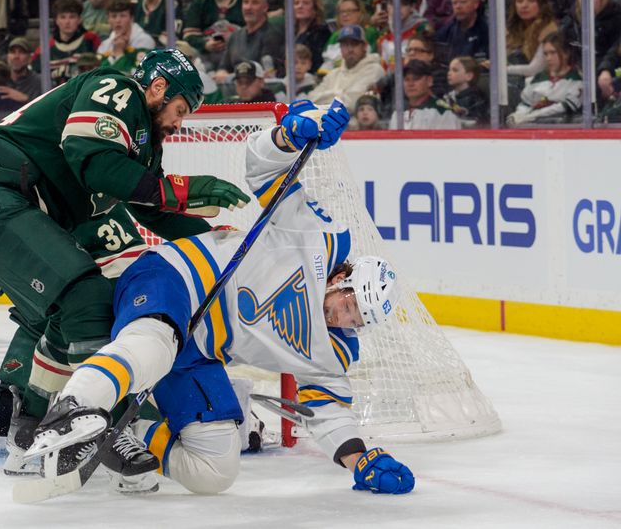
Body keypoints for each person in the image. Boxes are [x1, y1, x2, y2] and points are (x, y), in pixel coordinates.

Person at [24, 98, 415, 497]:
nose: (344, 319)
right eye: (348, 306)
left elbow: (329, 415)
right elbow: (263, 165)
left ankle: (124, 429)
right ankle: (74, 407)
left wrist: (361, 459)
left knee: (214, 471)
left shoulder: (332, 354)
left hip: (199, 351)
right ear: (341, 278)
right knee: (154, 346)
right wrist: (288, 135)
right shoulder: (318, 236)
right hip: (177, 278)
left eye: (356, 322)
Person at [0, 48, 250, 480]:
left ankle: (27, 433)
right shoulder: (116, 88)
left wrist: (215, 240)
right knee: (90, 300)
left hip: (15, 202)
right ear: (158, 88)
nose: (179, 124)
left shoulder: (142, 144)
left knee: (63, 316)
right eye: (179, 110)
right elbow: (96, 164)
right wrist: (184, 188)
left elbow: (148, 207)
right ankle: (105, 431)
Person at [506, 32, 582, 127]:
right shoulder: (538, 78)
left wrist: (529, 117)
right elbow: (525, 104)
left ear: (566, 53)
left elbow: (563, 108)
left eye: (553, 53)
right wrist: (517, 116)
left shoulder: (578, 80)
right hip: (532, 130)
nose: (548, 58)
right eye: (545, 54)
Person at [308, 24, 384, 117]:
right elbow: (311, 99)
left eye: (354, 44)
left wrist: (327, 96)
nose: (350, 49)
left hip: (358, 128)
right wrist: (339, 94)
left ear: (364, 46)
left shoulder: (374, 70)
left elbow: (352, 104)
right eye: (345, 45)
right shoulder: (334, 74)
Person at [32, 0, 101, 86]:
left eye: (72, 17)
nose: (67, 22)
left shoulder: (91, 40)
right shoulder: (45, 48)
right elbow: (36, 76)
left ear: (79, 19)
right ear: (56, 20)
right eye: (63, 17)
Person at [213, 0, 285, 82]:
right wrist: (222, 74)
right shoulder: (235, 36)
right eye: (245, 2)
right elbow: (223, 68)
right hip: (233, 89)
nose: (248, 7)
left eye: (254, 3)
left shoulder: (273, 35)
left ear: (265, 7)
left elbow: (264, 74)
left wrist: (228, 77)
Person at [389, 59, 462, 129]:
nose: (410, 84)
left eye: (416, 78)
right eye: (406, 79)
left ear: (429, 81)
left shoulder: (443, 112)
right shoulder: (397, 113)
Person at [182, 0, 245, 71]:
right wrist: (205, 44)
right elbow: (189, 35)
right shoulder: (201, 1)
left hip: (239, 55)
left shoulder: (245, 1)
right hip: (206, 56)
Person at [96, 0, 155, 74]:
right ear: (108, 20)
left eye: (123, 15)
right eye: (113, 16)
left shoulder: (145, 42)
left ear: (131, 18)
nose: (118, 20)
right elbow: (98, 74)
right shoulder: (104, 46)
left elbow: (138, 76)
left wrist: (119, 53)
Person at [505, 0, 558, 79]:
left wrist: (500, 69)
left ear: (541, 4)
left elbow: (535, 69)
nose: (524, 5)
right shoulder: (511, 30)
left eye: (531, 0)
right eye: (519, 1)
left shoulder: (550, 30)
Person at [319, 0, 373, 74]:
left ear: (360, 12)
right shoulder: (335, 35)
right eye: (341, 11)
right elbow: (326, 60)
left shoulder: (369, 32)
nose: (345, 15)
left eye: (350, 11)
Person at [375, 0, 429, 72]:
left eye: (403, 4)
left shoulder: (422, 30)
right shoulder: (383, 35)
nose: (397, 8)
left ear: (412, 7)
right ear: (387, 6)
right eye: (392, 4)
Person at [434, 0, 489, 66]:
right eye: (454, 3)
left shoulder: (488, 31)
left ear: (476, 4)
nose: (458, 7)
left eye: (463, 2)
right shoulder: (445, 33)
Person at [440, 56, 488, 127]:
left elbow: (476, 122)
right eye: (449, 70)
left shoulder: (476, 99)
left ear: (469, 76)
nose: (449, 73)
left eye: (455, 70)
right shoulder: (448, 96)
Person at [293, 0, 331, 73]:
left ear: (315, 9)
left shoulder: (321, 32)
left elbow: (317, 62)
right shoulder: (288, 32)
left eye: (305, 3)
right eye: (296, 3)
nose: (300, 6)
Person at [1, 37, 42, 105]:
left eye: (21, 52)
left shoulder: (39, 82)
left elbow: (44, 109)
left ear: (30, 58)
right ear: (7, 57)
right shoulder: (0, 80)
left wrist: (26, 99)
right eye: (12, 52)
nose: (16, 56)